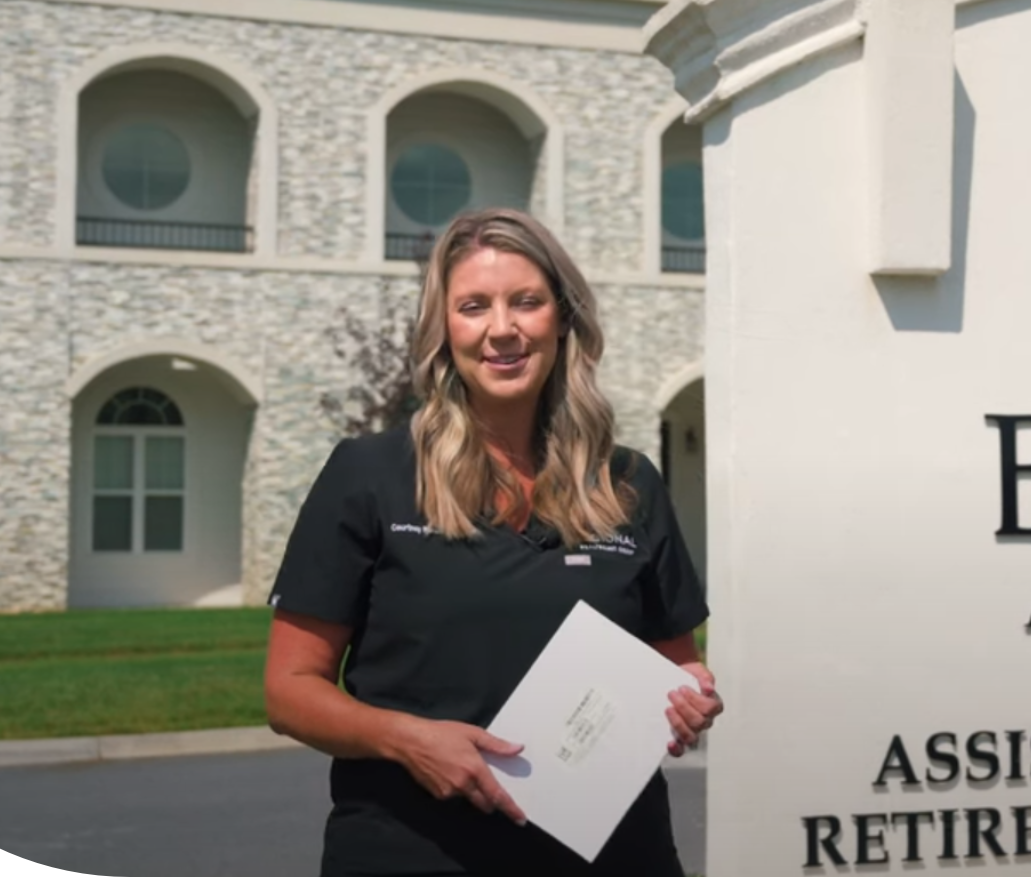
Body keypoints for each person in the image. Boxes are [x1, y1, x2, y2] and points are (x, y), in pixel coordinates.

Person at [264, 208, 722, 877]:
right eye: (474, 306)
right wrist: (408, 740)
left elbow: (676, 663)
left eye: (526, 302)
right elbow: (289, 690)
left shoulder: (628, 483)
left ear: (562, 318)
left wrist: (691, 695)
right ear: (444, 328)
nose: (502, 329)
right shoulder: (369, 475)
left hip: (616, 854)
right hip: (414, 852)